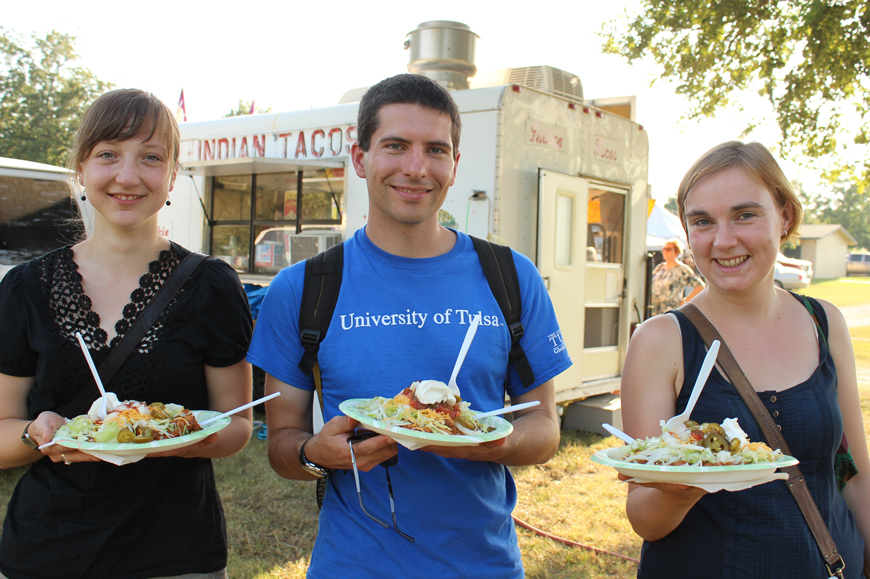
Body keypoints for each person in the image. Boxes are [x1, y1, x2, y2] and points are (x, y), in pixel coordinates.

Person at [246, 74, 572, 578]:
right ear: (360, 158)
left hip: (483, 566)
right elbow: (283, 445)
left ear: (455, 165)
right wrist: (316, 453)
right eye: (395, 146)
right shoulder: (301, 289)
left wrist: (492, 442)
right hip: (351, 566)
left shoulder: (511, 277)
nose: (416, 169)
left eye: (436, 150)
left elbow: (545, 429)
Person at [0, 89, 253, 579]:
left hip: (176, 551)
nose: (128, 175)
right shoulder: (26, 287)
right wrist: (38, 433)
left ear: (173, 175)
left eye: (151, 157)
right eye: (108, 154)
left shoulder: (212, 286)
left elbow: (237, 426)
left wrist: (172, 436)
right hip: (46, 551)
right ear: (81, 168)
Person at [620, 141, 870, 577]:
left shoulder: (823, 323)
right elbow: (645, 517)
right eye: (702, 221)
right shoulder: (661, 340)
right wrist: (683, 485)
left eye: (745, 214)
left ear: (785, 216)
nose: (723, 240)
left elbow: (855, 476)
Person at [650, 238, 704, 316]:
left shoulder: (682, 270)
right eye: (664, 249)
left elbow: (700, 286)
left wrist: (685, 301)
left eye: (668, 249)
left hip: (670, 312)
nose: (665, 251)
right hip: (654, 311)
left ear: (676, 252)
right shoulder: (659, 268)